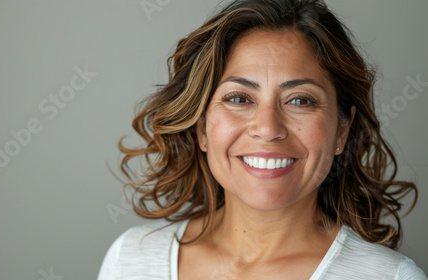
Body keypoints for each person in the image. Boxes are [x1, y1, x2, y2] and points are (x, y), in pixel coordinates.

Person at [98, 0, 427, 279]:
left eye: (300, 100)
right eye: (239, 98)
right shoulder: (130, 259)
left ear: (342, 130)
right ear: (201, 128)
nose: (268, 128)